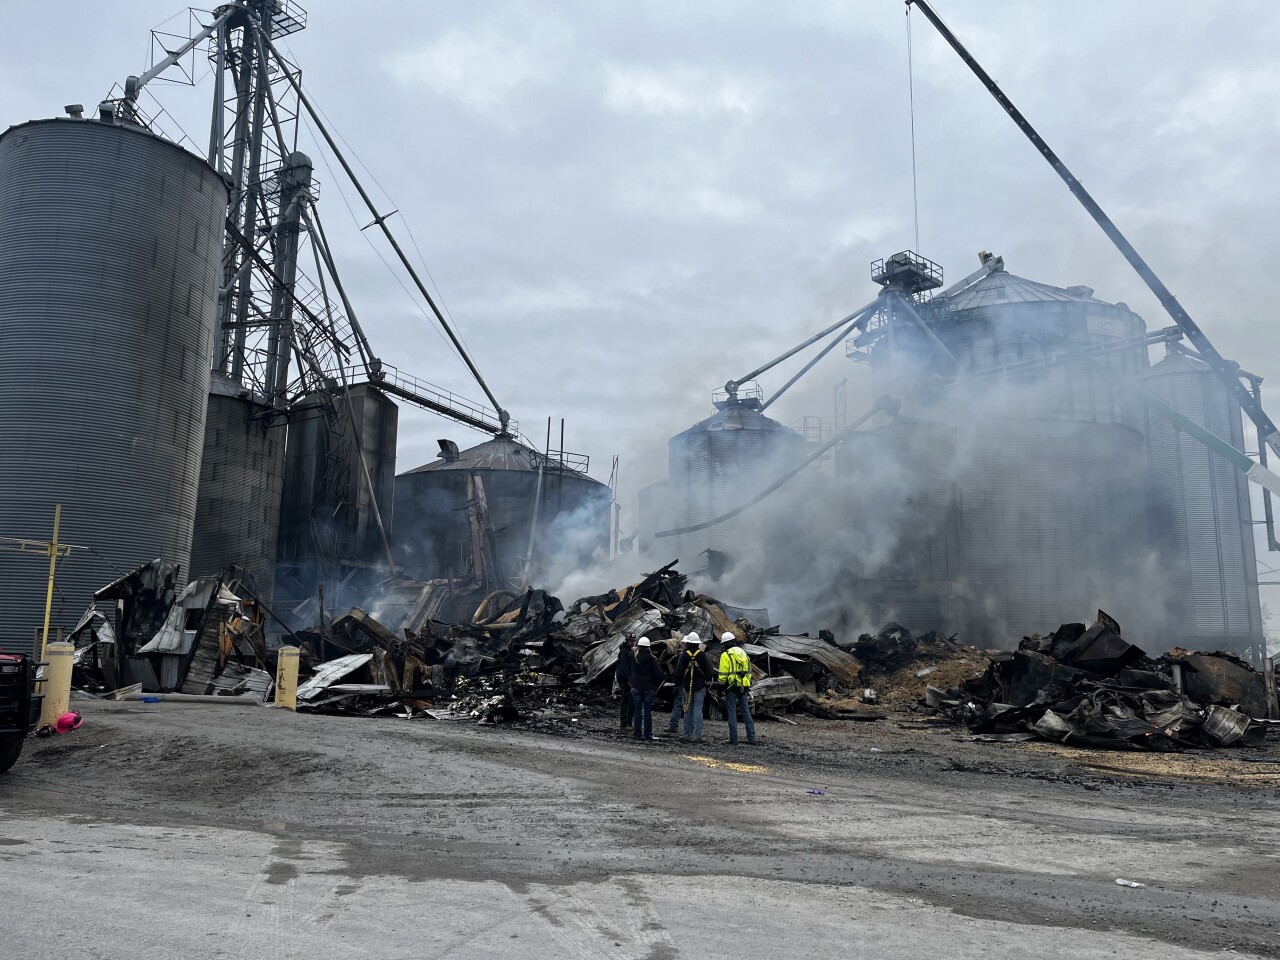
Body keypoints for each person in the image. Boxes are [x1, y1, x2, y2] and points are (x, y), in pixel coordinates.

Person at [666, 633, 712, 741]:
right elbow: (710, 672)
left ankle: (686, 734)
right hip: (700, 687)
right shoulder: (703, 655)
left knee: (687, 709)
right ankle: (698, 735)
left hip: (687, 687)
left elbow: (678, 672)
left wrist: (677, 684)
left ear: (688, 643)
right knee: (698, 709)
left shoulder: (684, 655)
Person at [717, 631, 756, 745]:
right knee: (746, 712)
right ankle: (752, 738)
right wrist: (746, 684)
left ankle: (733, 739)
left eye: (724, 644)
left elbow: (723, 675)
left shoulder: (726, 655)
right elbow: (749, 671)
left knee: (732, 712)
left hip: (731, 688)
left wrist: (720, 688)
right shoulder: (744, 653)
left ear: (727, 643)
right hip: (743, 687)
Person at [630, 637, 663, 741]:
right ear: (649, 647)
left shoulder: (633, 657)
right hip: (648, 688)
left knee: (637, 711)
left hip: (635, 688)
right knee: (647, 712)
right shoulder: (652, 659)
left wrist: (631, 681)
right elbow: (658, 675)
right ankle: (647, 734)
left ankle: (637, 733)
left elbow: (628, 670)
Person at [616, 633, 637, 731]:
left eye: (634, 641)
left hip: (629, 680)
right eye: (631, 641)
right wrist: (628, 680)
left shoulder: (628, 651)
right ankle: (624, 723)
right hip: (625, 681)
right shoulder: (624, 652)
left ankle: (628, 722)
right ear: (627, 641)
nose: (633, 643)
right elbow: (624, 668)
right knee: (626, 701)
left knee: (631, 702)